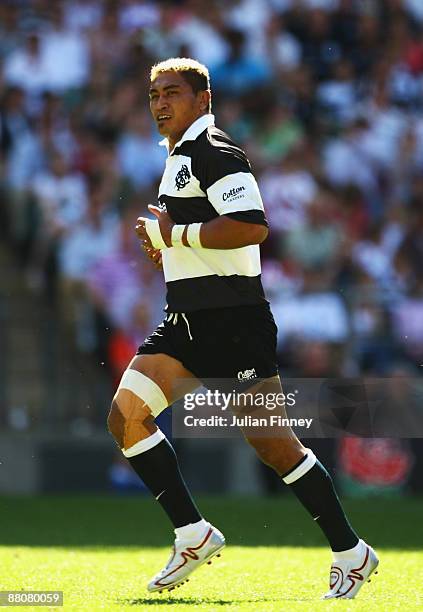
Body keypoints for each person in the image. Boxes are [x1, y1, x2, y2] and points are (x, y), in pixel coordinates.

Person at [107, 57, 378, 598]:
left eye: (173, 93)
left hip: (234, 324)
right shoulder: (179, 156)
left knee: (276, 447)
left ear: (202, 100)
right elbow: (193, 234)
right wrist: (166, 248)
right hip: (185, 320)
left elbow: (252, 227)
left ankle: (352, 552)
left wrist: (175, 236)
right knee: (125, 418)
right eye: (155, 94)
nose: (160, 103)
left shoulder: (216, 153)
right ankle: (192, 532)